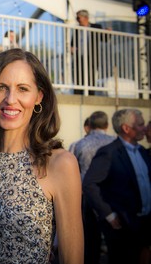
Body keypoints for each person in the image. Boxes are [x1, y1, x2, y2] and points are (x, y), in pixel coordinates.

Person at [0, 48, 84, 264]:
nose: (10, 100)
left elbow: (72, 258)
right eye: (1, 88)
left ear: (39, 96)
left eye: (23, 89)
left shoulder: (59, 164)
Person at [83, 109, 151, 264]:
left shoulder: (142, 152)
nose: (145, 128)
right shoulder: (109, 152)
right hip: (123, 226)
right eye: (140, 125)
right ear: (127, 128)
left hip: (144, 224)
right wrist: (108, 214)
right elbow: (89, 184)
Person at [73, 111, 115, 264]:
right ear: (107, 125)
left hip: (86, 196)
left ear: (89, 125)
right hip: (110, 198)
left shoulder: (79, 144)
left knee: (90, 237)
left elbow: (72, 172)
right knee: (114, 240)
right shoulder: (115, 142)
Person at [70, 9, 106, 95]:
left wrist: (107, 33)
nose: (77, 20)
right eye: (77, 18)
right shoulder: (77, 29)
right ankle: (77, 94)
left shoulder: (96, 27)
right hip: (79, 57)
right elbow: (73, 42)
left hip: (91, 57)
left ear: (86, 18)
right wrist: (72, 48)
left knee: (90, 77)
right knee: (78, 76)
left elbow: (104, 39)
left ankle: (90, 94)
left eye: (79, 18)